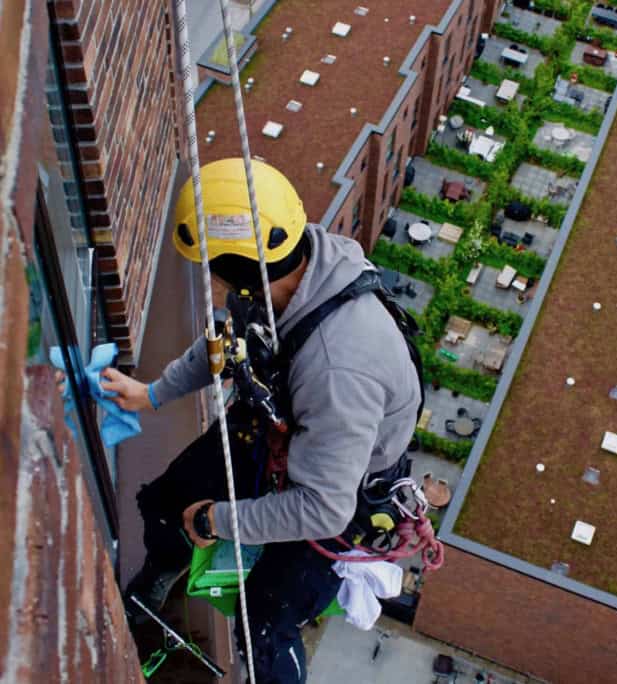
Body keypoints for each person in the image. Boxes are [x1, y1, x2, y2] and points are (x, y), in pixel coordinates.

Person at [107, 159, 423, 683]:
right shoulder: (285, 272)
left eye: (212, 266)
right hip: (282, 429)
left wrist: (219, 521)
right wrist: (154, 394)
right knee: (164, 503)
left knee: (265, 622)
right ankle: (158, 580)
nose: (211, 278)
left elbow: (323, 507)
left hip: (339, 485)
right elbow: (230, 342)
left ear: (236, 267)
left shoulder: (338, 365)